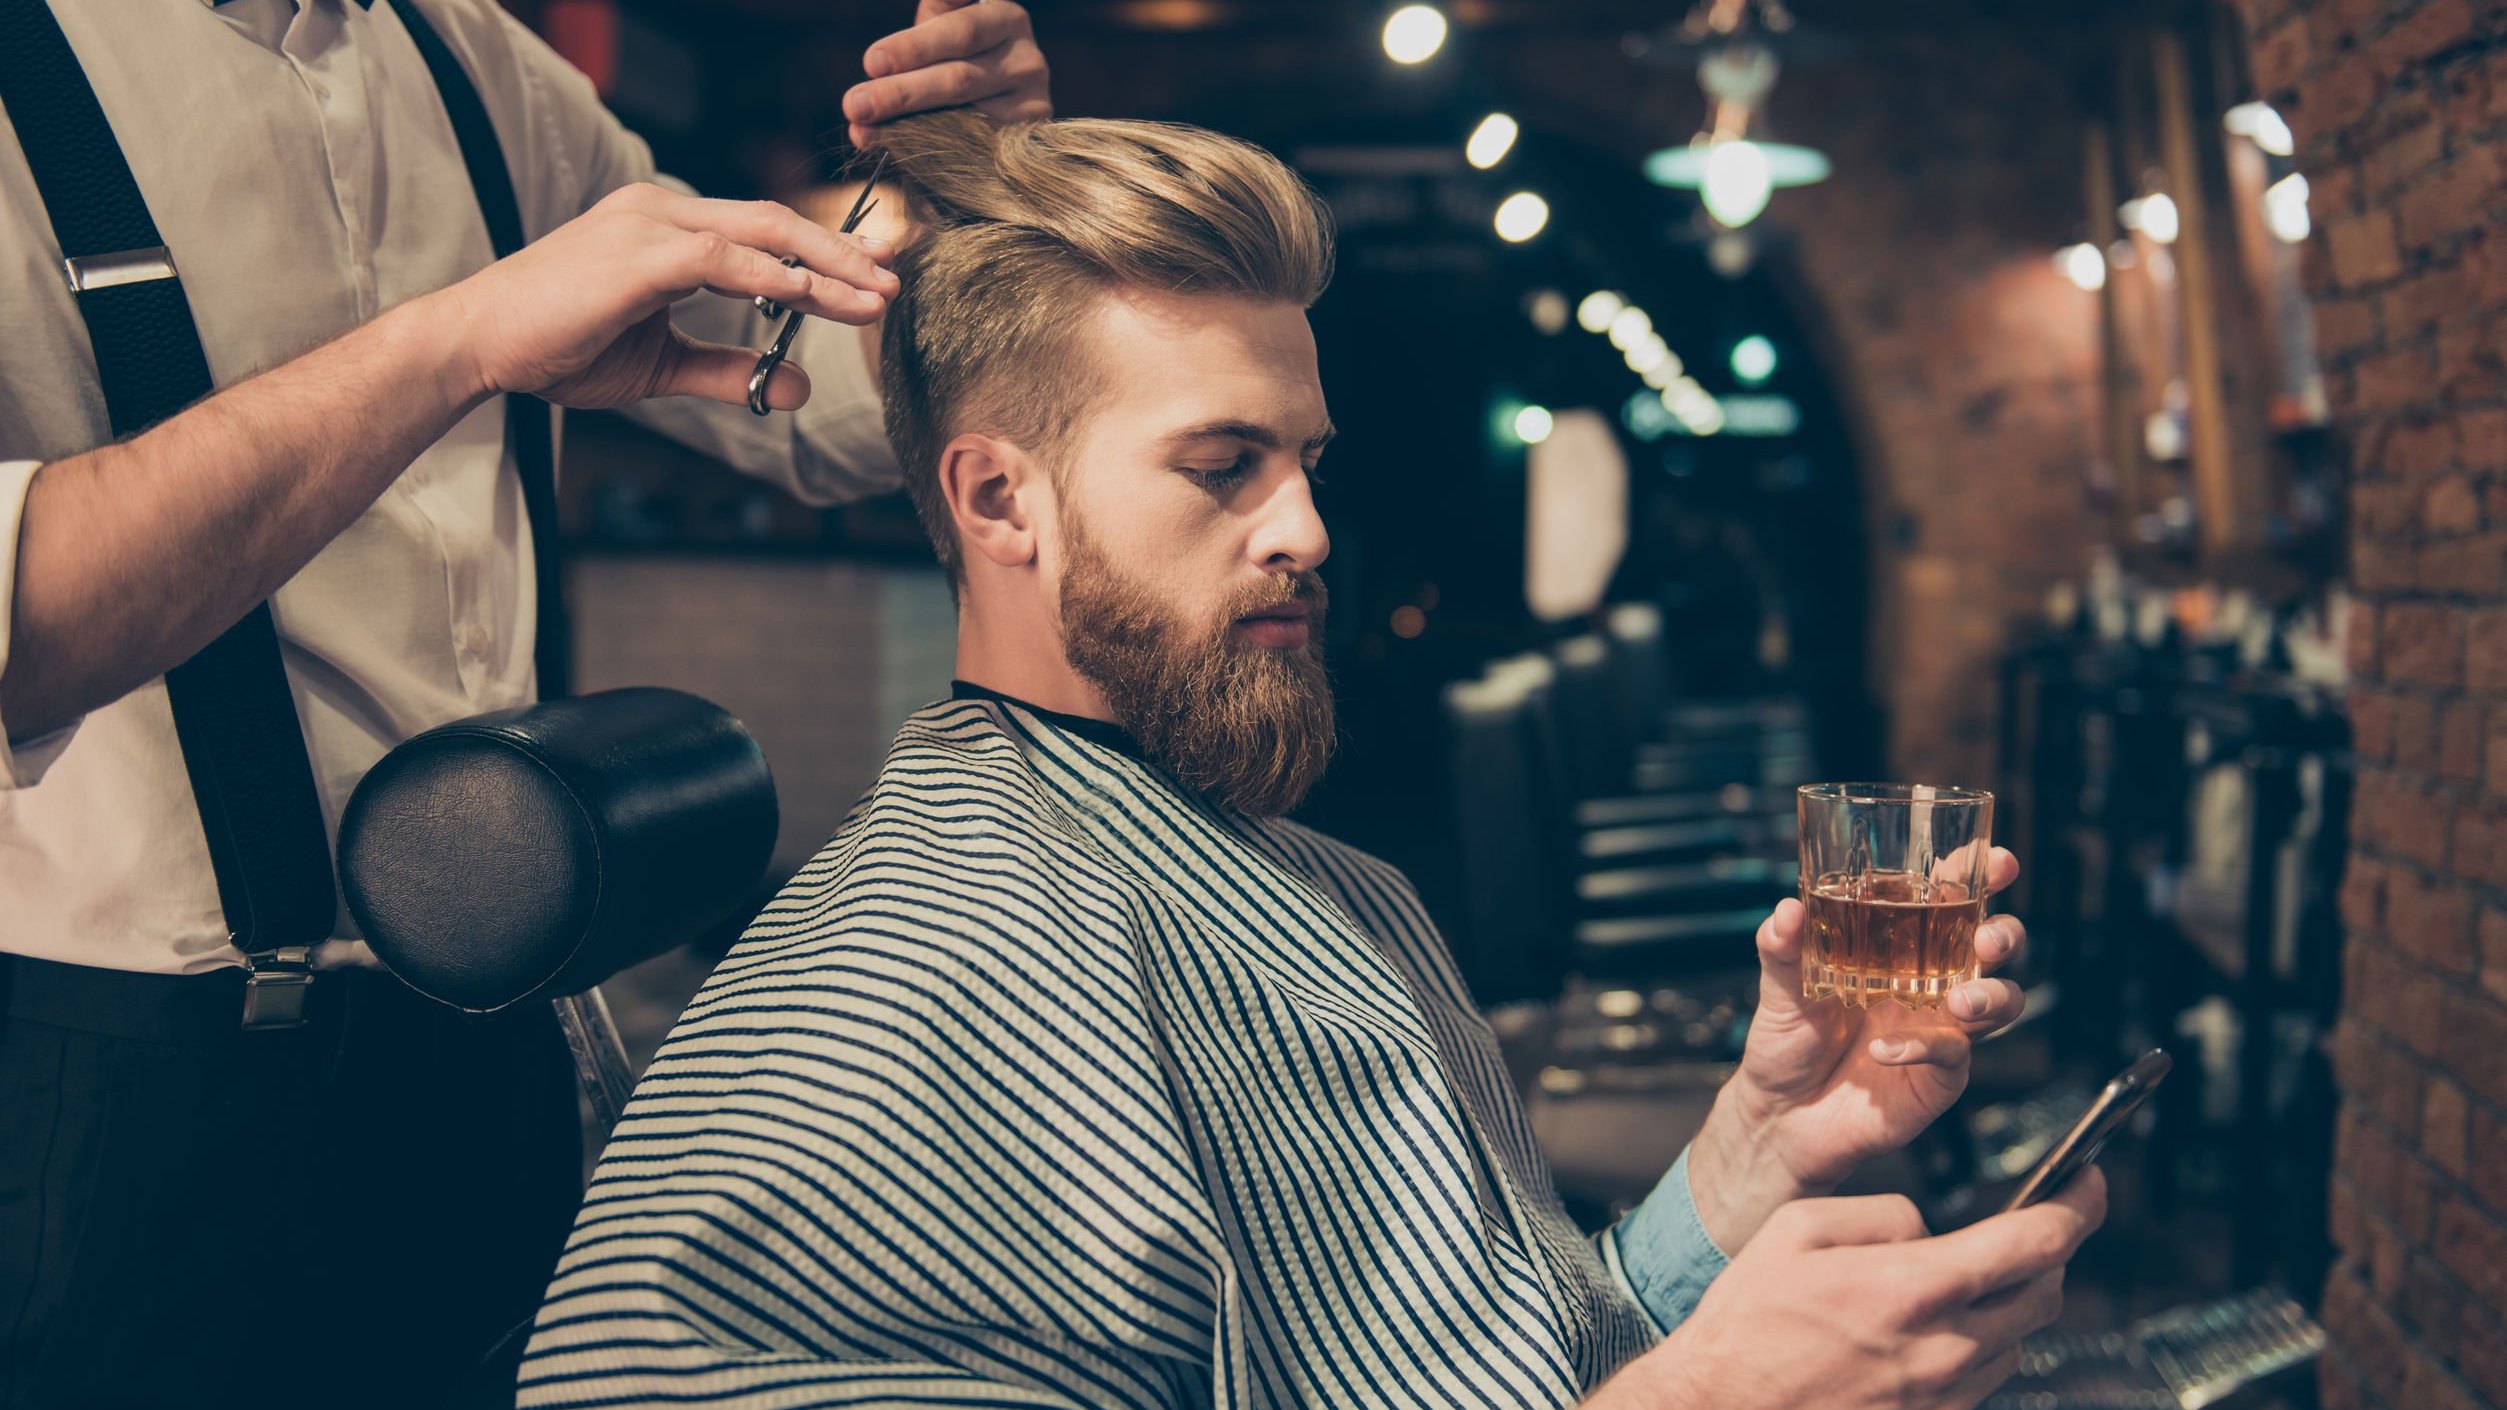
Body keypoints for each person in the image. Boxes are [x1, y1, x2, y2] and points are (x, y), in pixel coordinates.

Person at [519, 111, 2105, 1410]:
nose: (1308, 529)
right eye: (1223, 466)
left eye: (1305, 460)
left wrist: (1761, 1145)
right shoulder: (890, 987)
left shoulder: (1341, 894)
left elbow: (1521, 1353)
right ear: (1000, 501)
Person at [0, 3, 1049, 1406]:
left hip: (488, 1048)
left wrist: (985, 197)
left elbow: (835, 404)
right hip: (129, 1083)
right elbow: (26, 631)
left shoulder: (472, 61)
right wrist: (459, 340)